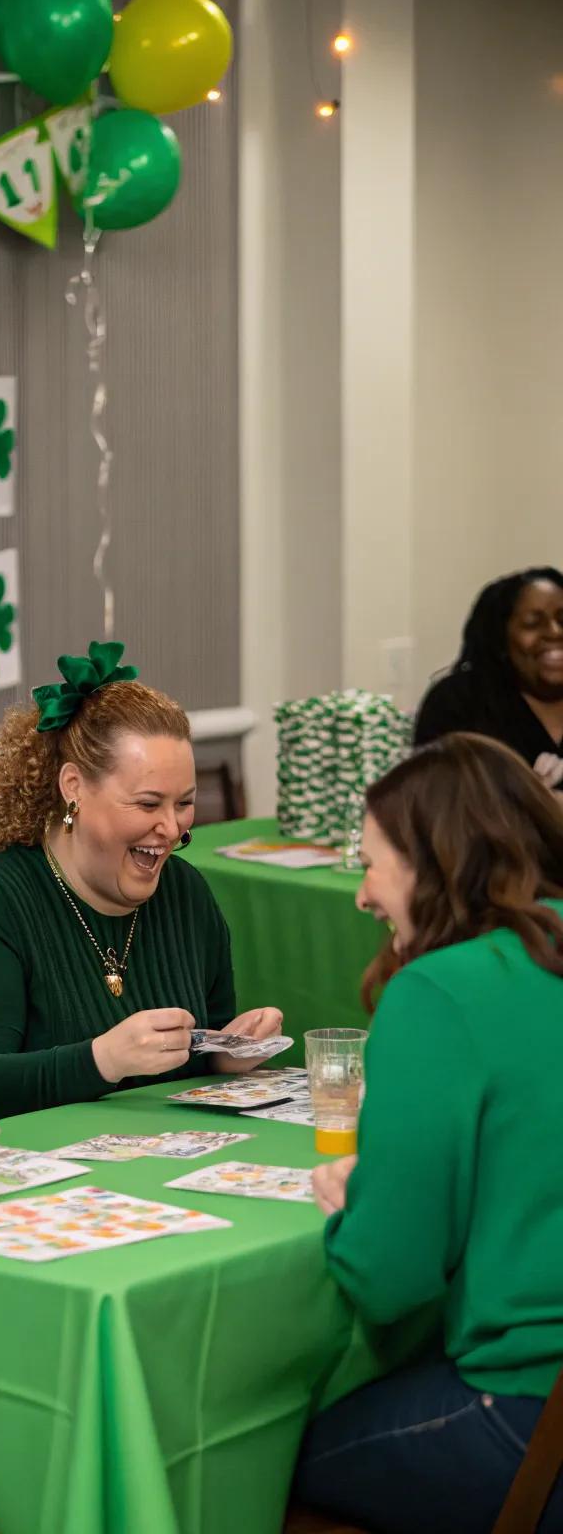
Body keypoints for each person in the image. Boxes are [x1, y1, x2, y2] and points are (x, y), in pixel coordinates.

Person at [293, 732, 563, 1534]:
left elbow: (389, 1278)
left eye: (373, 863)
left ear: (434, 863)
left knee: (255, 1462)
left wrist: (357, 1202)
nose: (362, 895)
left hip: (527, 1410)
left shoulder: (442, 992)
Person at [0, 641, 282, 1119]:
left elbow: (197, 1045)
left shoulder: (185, 893)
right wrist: (100, 1061)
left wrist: (226, 1052)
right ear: (74, 789)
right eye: (148, 804)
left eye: (184, 803)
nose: (172, 828)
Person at [414, 566, 563, 788]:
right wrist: (532, 802)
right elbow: (432, 803)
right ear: (500, 638)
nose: (555, 632)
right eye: (532, 623)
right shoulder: (460, 703)